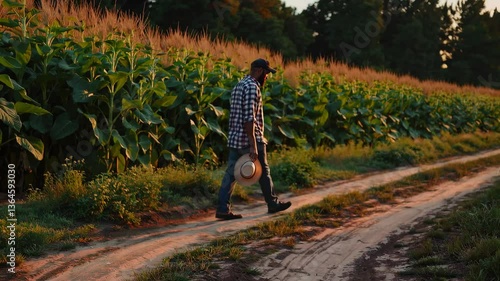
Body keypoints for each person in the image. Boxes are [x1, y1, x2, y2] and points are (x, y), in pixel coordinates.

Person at [215, 58, 292, 220]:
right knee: (263, 170)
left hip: (236, 138)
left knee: (230, 174)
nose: (267, 77)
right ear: (259, 70)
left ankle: (222, 209)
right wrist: (253, 145)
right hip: (249, 138)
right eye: (266, 73)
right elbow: (249, 118)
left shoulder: (239, 85)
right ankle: (272, 203)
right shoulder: (252, 87)